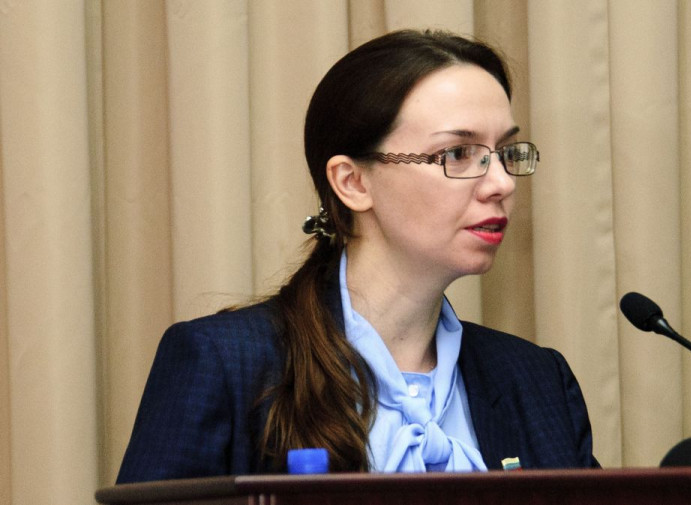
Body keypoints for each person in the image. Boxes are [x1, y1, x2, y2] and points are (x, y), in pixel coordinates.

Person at [117, 29, 598, 483]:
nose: (502, 183)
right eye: (457, 153)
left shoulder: (536, 381)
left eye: (506, 152)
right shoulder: (225, 365)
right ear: (352, 182)